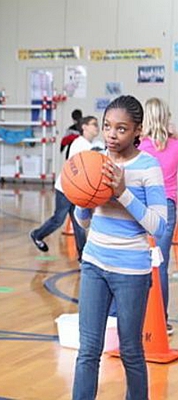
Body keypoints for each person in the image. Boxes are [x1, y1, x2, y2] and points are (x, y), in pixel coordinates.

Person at [72, 95, 167, 399]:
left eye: (121, 129)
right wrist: (85, 199)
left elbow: (159, 225)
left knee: (130, 350)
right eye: (107, 126)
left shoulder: (148, 167)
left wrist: (122, 193)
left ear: (138, 130)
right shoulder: (96, 160)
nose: (111, 135)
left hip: (131, 270)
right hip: (94, 264)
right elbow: (83, 220)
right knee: (87, 350)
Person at [29, 116, 100, 259]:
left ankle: (83, 257)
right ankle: (37, 235)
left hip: (78, 191)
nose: (96, 127)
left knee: (78, 223)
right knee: (59, 219)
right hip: (66, 188)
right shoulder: (79, 144)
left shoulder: (92, 144)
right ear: (84, 127)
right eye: (93, 124)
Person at [138, 97, 178, 335]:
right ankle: (160, 321)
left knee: (138, 261)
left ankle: (139, 316)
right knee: (160, 264)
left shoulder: (140, 147)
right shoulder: (175, 146)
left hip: (142, 206)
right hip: (167, 206)